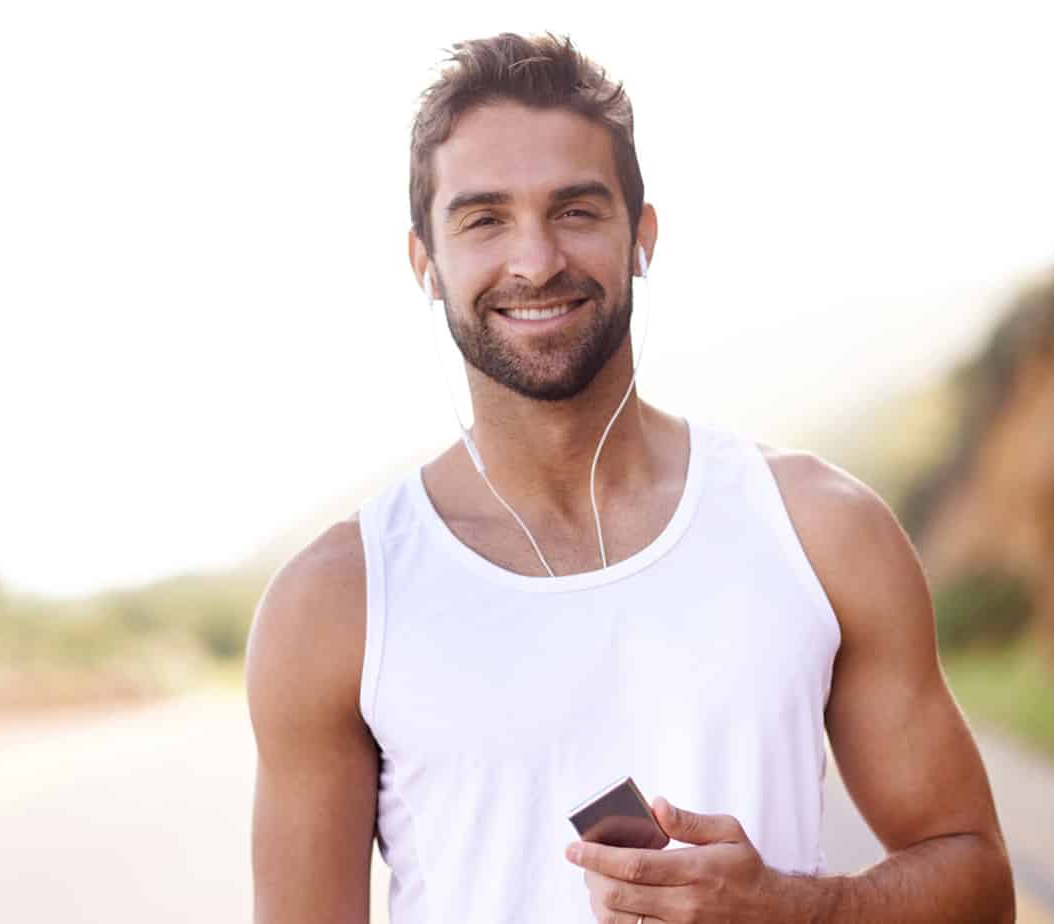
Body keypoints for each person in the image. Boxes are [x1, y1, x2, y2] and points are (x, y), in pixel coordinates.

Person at [244, 32, 1014, 923]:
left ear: (640, 236)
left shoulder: (819, 530)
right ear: (426, 263)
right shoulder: (336, 604)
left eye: (576, 210)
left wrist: (804, 912)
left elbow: (979, 881)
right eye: (484, 218)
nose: (535, 260)